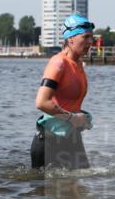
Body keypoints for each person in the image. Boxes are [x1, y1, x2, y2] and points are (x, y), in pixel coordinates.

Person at [31, 13, 94, 169]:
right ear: (71, 39)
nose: (90, 42)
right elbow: (41, 102)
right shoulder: (58, 63)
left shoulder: (78, 63)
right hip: (50, 141)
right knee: (46, 191)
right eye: (85, 37)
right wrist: (73, 118)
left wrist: (81, 119)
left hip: (71, 138)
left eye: (91, 37)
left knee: (80, 189)